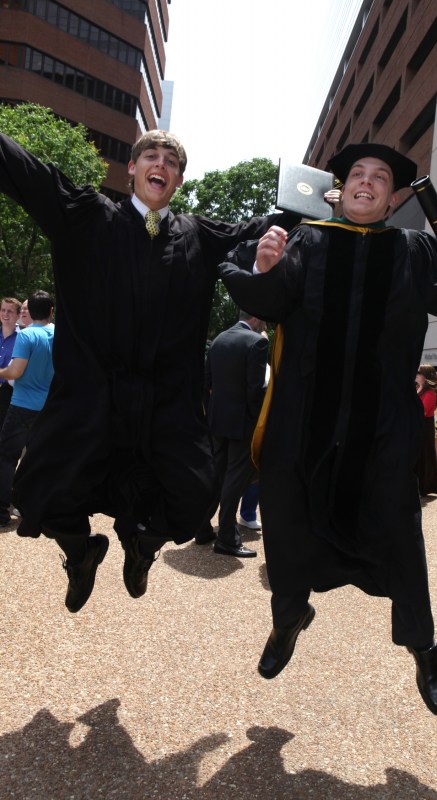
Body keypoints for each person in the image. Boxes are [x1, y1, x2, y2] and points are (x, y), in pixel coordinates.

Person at [218, 142, 437, 717]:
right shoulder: (307, 239)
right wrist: (262, 267)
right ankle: (288, 616)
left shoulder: (413, 248)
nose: (366, 181)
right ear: (339, 191)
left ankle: (424, 647)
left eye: (380, 177)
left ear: (392, 199)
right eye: (356, 174)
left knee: (398, 532)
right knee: (289, 520)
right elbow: (273, 299)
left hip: (380, 426)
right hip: (304, 419)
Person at [0, 129, 299, 613]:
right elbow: (28, 172)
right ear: (132, 170)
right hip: (90, 397)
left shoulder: (199, 236)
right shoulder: (87, 216)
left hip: (165, 404)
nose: (161, 165)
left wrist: (317, 202)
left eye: (172, 162)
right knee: (39, 489)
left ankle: (141, 545)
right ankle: (81, 553)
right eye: (151, 156)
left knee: (197, 492)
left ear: (178, 180)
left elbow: (262, 228)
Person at [198, 310, 268, 557]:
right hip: (243, 425)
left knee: (217, 474)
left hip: (218, 420)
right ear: (257, 319)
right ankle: (227, 538)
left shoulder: (219, 339)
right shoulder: (257, 342)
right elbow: (255, 392)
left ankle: (202, 527)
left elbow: (205, 382)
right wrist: (260, 423)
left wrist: (212, 413)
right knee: (235, 479)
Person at [0, 291, 54, 528]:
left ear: (30, 310)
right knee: (39, 458)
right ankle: (36, 510)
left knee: (6, 457)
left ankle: (1, 512)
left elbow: (15, 372)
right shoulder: (58, 334)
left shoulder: (27, 336)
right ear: (51, 311)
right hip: (49, 407)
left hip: (22, 406)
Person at [415, 364, 437, 495]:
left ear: (425, 376)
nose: (416, 374)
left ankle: (424, 486)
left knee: (424, 456)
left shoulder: (430, 392)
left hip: (424, 427)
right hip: (417, 425)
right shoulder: (419, 388)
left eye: (419, 372)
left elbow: (422, 411)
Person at [0, 296, 20, 430]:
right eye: (3, 310)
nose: (5, 314)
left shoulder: (23, 338)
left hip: (8, 394)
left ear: (18, 315)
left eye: (10, 311)